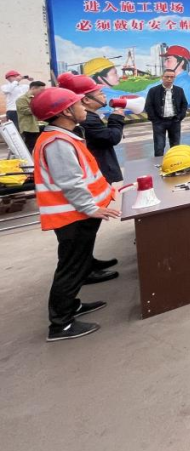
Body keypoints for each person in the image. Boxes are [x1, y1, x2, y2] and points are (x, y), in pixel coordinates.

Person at [31, 87, 120, 341]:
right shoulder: (58, 142)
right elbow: (71, 182)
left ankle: (70, 306)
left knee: (76, 265)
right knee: (71, 269)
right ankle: (61, 324)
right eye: (79, 104)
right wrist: (92, 209)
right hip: (73, 217)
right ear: (66, 112)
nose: (84, 107)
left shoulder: (63, 137)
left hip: (77, 215)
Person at [145, 68, 188, 157]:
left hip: (175, 121)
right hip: (159, 122)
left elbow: (184, 104)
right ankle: (159, 163)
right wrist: (155, 120)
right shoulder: (153, 90)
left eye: (172, 77)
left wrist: (180, 117)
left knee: (175, 145)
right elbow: (148, 106)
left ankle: (175, 162)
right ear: (162, 77)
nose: (169, 79)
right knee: (159, 145)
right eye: (167, 76)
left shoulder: (179, 90)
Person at [16, 80, 47, 150]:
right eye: (41, 90)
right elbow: (25, 111)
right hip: (29, 127)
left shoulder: (39, 98)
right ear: (33, 88)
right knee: (32, 146)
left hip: (40, 125)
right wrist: (40, 108)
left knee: (41, 145)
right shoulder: (21, 99)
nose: (42, 92)